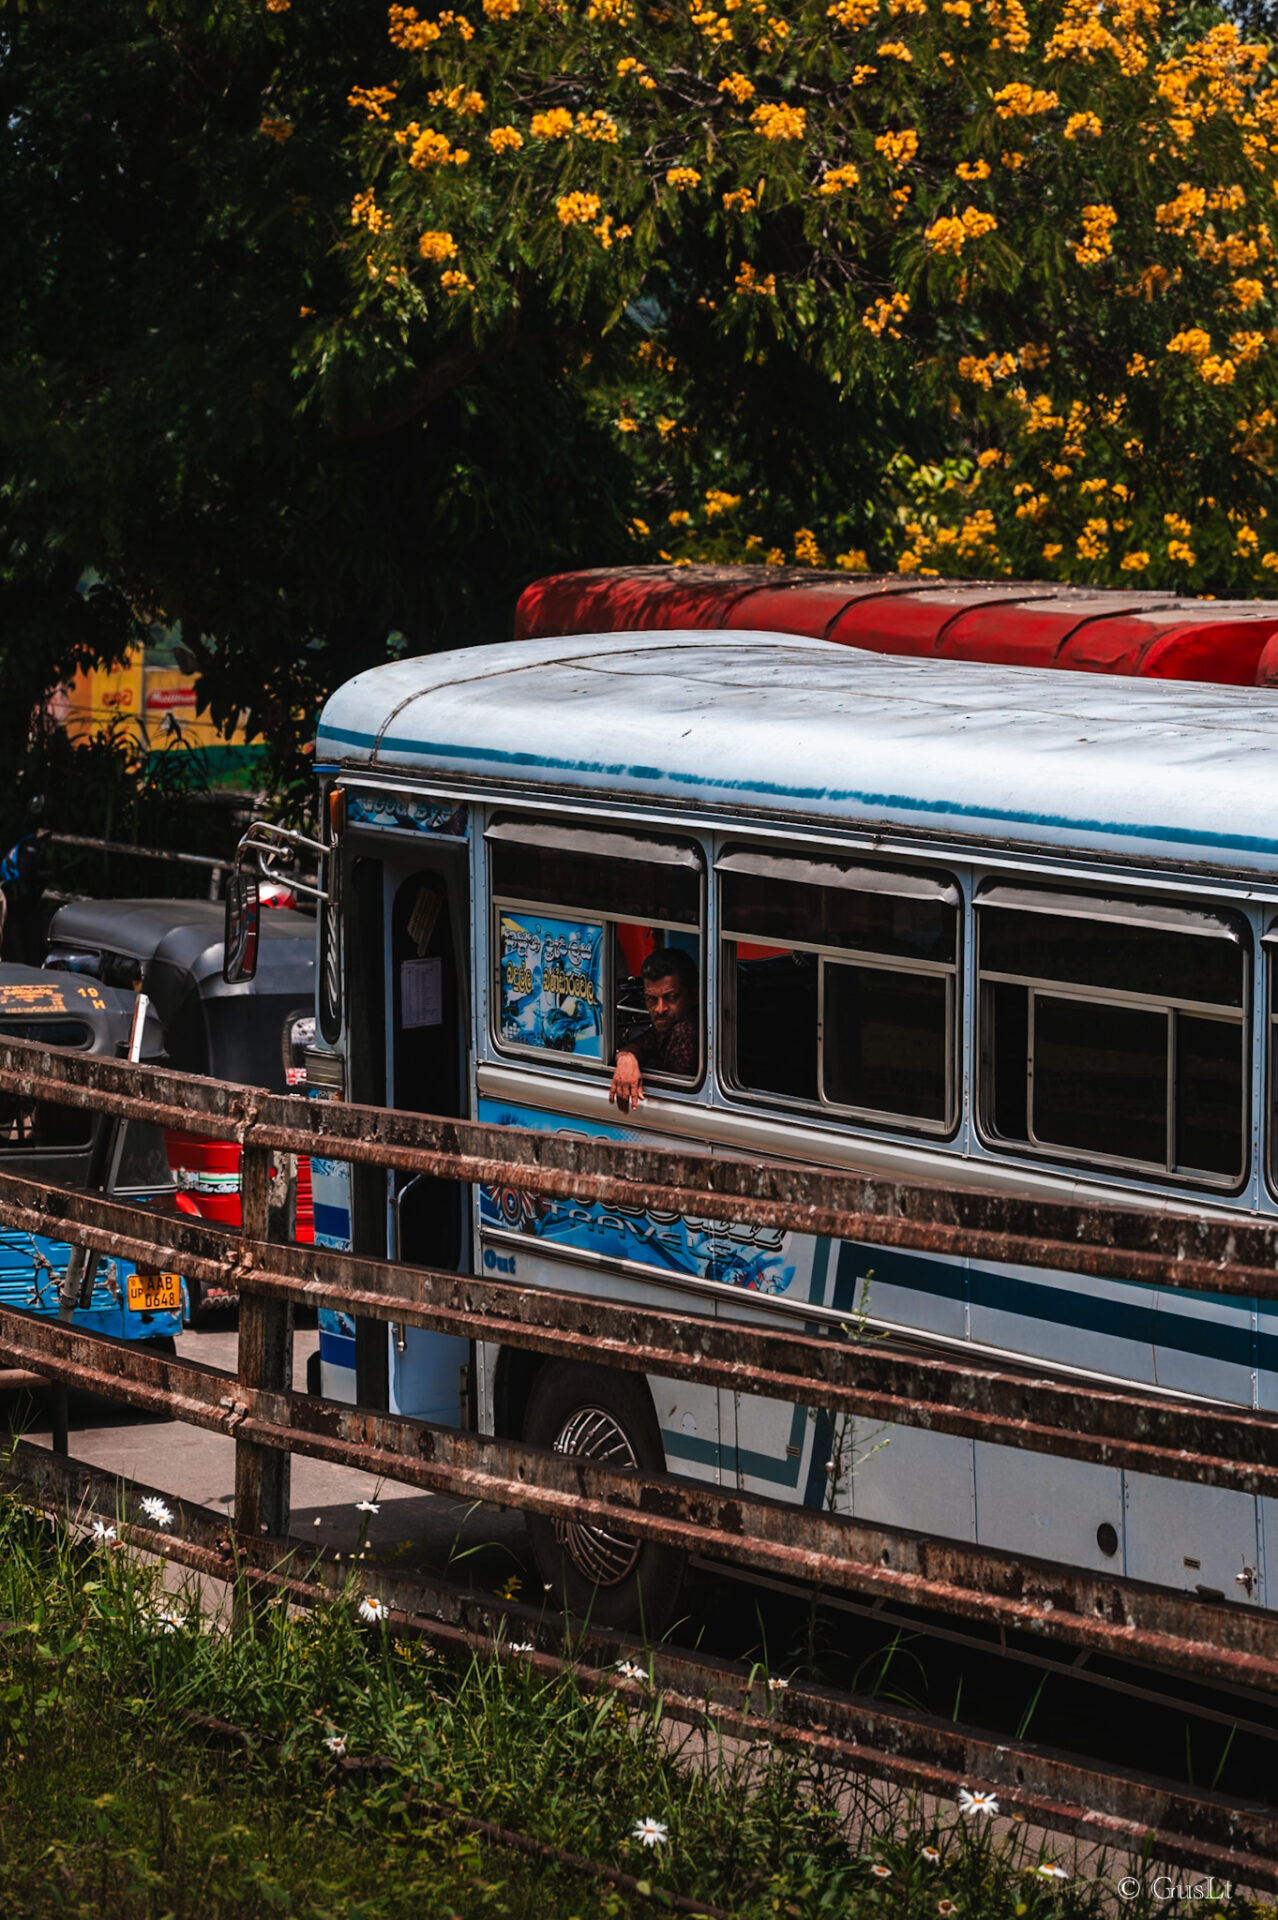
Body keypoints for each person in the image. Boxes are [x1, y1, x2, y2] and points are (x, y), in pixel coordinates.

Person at [609, 945, 698, 1110]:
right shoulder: (669, 1026)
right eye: (651, 999)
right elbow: (645, 1042)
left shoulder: (685, 1032)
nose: (660, 1009)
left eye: (671, 997)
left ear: (694, 996)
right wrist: (626, 1057)